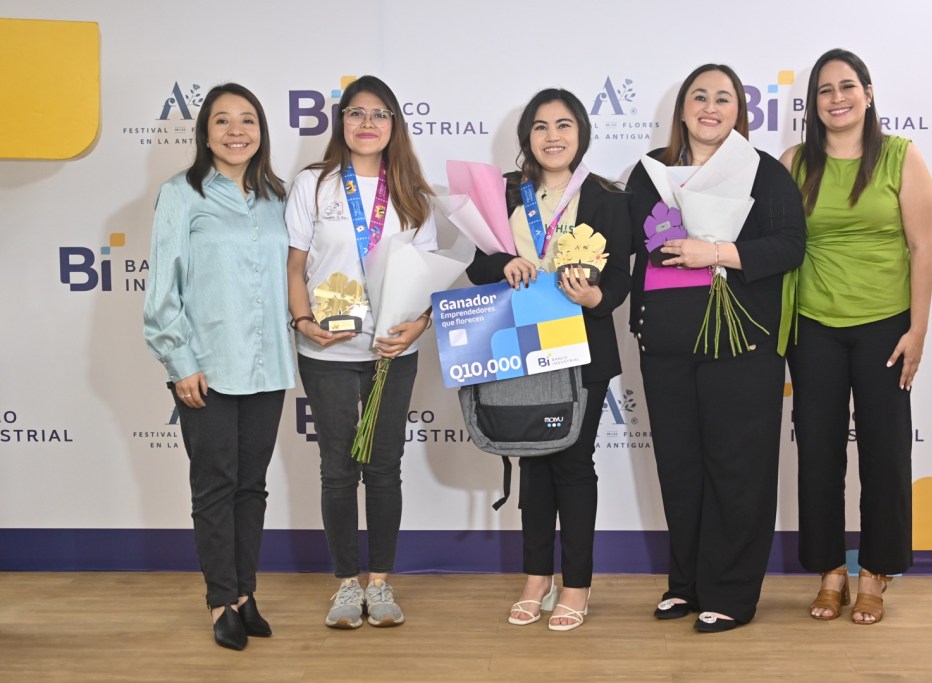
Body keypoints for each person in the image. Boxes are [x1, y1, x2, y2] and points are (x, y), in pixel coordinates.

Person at [627, 65, 806, 632]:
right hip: (666, 343)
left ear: (739, 111)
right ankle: (687, 584)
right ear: (681, 109)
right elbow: (629, 243)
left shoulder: (763, 172)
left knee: (737, 467)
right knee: (680, 468)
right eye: (699, 97)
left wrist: (719, 251)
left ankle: (730, 593)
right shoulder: (649, 170)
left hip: (742, 343)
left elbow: (791, 245)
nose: (710, 107)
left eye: (723, 98)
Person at [465, 88, 631, 632]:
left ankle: (576, 585)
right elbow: (478, 264)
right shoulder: (505, 192)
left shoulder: (607, 196)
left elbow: (623, 279)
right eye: (541, 126)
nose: (552, 136)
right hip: (517, 344)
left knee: (573, 466)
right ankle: (536, 578)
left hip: (582, 349)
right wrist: (506, 262)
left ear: (581, 133)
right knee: (532, 464)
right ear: (526, 138)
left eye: (564, 125)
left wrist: (595, 298)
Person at [780, 48, 932, 625]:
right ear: (813, 103)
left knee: (886, 453)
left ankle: (876, 573)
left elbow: (922, 247)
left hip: (885, 327)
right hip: (813, 326)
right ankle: (830, 573)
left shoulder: (900, 156)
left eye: (847, 86)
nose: (837, 97)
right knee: (817, 454)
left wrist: (917, 330)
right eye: (825, 89)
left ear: (868, 93)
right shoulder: (795, 161)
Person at [143, 83, 294, 650]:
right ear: (204, 132)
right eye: (223, 121)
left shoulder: (277, 197)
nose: (237, 131)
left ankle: (245, 594)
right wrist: (179, 361)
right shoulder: (181, 195)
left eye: (248, 120)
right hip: (204, 367)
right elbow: (163, 290)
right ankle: (218, 601)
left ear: (261, 130)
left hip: (269, 366)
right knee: (214, 485)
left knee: (251, 487)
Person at [285, 75, 437, 630]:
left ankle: (381, 582)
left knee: (384, 467)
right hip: (325, 349)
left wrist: (418, 326)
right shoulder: (314, 184)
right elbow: (296, 266)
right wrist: (302, 320)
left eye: (379, 114)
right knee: (336, 468)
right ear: (341, 122)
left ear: (394, 124)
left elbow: (427, 280)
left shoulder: (413, 193)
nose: (367, 123)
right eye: (356, 113)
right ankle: (346, 585)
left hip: (391, 350)